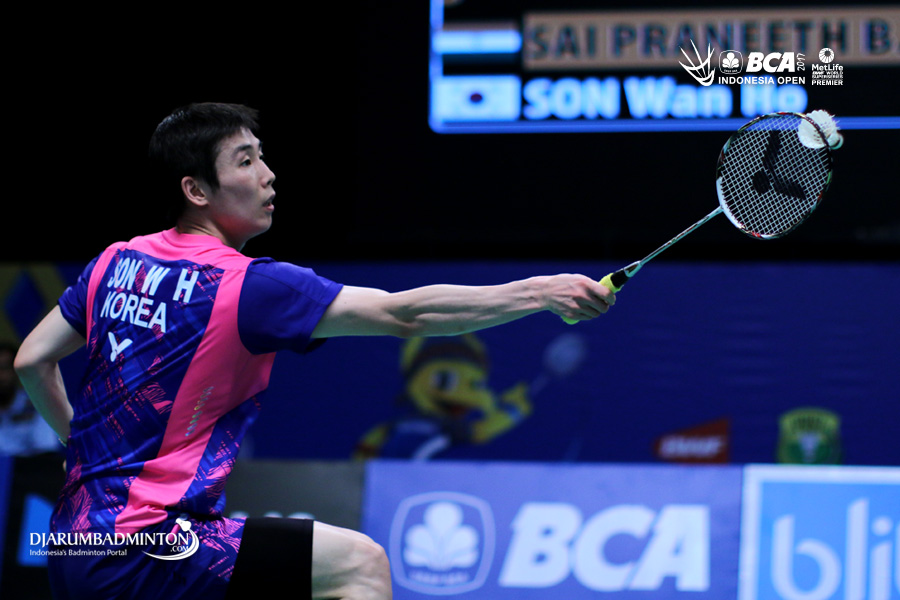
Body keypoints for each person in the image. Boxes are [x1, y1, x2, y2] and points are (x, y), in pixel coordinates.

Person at [14, 102, 615, 600]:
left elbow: (31, 361)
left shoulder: (114, 262)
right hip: (151, 547)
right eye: (245, 161)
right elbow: (404, 314)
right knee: (358, 565)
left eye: (261, 155)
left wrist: (78, 450)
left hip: (75, 540)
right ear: (195, 189)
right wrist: (539, 292)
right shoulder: (249, 286)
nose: (268, 174)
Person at [0, 341, 63, 456]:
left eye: (4, 368)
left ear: (15, 372)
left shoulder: (36, 403)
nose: (1, 375)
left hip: (33, 465)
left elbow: (47, 451)